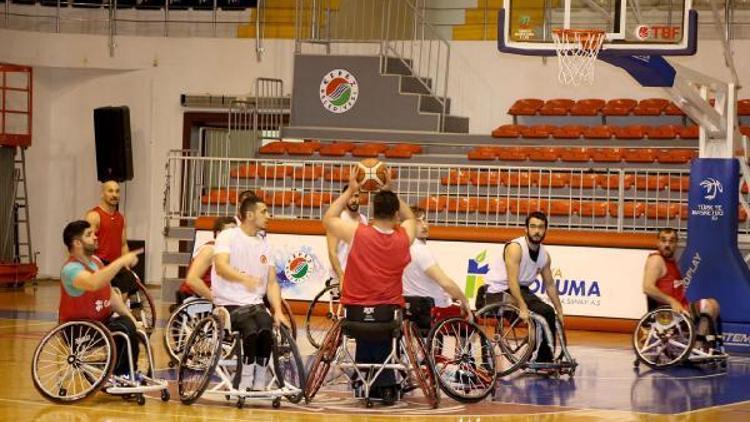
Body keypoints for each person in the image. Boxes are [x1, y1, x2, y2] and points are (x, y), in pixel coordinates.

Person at [322, 172, 416, 405]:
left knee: (367, 333)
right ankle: (383, 383)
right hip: (387, 314)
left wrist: (350, 189)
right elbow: (411, 218)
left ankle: (363, 377)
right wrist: (390, 189)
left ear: (372, 213)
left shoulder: (358, 233)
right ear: (395, 214)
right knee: (382, 332)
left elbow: (329, 217)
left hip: (355, 312)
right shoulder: (404, 237)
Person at [213, 195, 290, 391]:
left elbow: (272, 283)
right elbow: (221, 266)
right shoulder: (228, 237)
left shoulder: (265, 244)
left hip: (255, 303)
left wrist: (278, 310)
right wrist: (243, 278)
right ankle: (245, 379)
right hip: (229, 302)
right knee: (251, 330)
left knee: (266, 329)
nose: (268, 216)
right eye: (263, 212)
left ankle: (260, 379)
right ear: (249, 215)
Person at [59, 220, 144, 379]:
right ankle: (122, 375)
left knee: (129, 325)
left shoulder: (96, 262)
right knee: (124, 329)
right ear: (77, 243)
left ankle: (125, 372)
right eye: (89, 235)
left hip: (101, 323)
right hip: (79, 330)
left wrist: (133, 319)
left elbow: (111, 295)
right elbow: (93, 282)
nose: (95, 237)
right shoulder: (70, 270)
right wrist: (120, 261)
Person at [484, 211, 563, 363]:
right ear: (525, 229)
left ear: (546, 230)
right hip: (500, 289)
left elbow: (550, 284)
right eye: (533, 227)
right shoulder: (516, 248)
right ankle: (543, 359)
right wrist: (522, 306)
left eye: (541, 227)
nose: (537, 231)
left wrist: (559, 309)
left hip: (521, 289)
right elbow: (512, 281)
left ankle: (541, 354)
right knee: (544, 311)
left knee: (549, 312)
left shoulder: (544, 255)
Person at [642, 228, 721, 347]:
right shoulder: (656, 260)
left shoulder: (672, 263)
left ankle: (704, 344)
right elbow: (647, 288)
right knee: (708, 305)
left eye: (671, 241)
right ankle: (697, 345)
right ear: (658, 242)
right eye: (664, 241)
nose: (667, 244)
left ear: (676, 244)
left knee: (714, 304)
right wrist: (671, 301)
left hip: (680, 312)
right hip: (667, 314)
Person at [402, 206, 472, 331]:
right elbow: (445, 282)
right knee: (471, 319)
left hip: (410, 308)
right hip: (432, 310)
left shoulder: (401, 247)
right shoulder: (420, 250)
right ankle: (465, 350)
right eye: (418, 222)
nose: (424, 225)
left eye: (424, 220)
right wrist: (465, 301)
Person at [85, 180, 137, 299]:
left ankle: (129, 312)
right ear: (102, 193)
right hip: (100, 264)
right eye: (110, 191)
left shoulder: (121, 218)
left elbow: (123, 244)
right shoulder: (94, 216)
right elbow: (86, 243)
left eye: (117, 191)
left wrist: (126, 263)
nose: (114, 194)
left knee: (130, 279)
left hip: (116, 264)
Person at [174, 217, 236, 306]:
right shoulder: (210, 250)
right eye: (230, 232)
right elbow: (192, 280)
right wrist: (215, 300)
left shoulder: (229, 252)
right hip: (195, 297)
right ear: (219, 234)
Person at [326, 185, 367, 290]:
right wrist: (341, 275)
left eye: (356, 196)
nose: (354, 200)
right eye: (350, 196)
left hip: (358, 277)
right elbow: (332, 252)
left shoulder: (364, 220)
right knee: (338, 307)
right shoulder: (337, 219)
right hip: (339, 276)